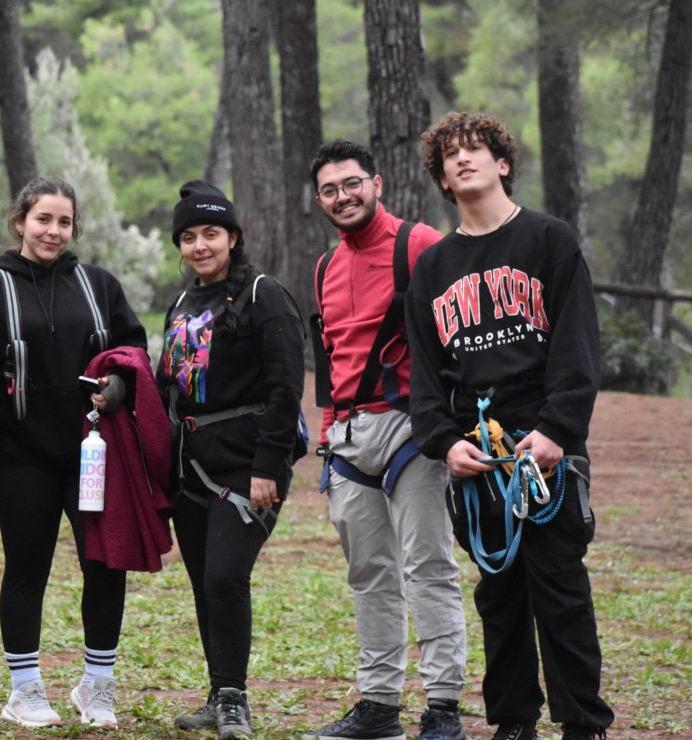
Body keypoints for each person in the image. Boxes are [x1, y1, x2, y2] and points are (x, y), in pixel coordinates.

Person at [407, 111, 614, 740]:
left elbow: (578, 347)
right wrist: (444, 443)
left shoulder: (550, 241)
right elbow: (425, 375)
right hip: (478, 441)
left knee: (560, 588)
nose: (463, 159)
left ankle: (582, 724)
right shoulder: (433, 269)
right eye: (450, 154)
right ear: (442, 179)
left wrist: (556, 431)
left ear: (502, 163)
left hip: (544, 438)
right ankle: (513, 722)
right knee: (498, 594)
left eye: (476, 149)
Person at [0, 175, 147, 729]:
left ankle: (98, 687)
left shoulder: (99, 285)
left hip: (92, 455)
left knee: (104, 567)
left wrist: (120, 389)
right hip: (19, 455)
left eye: (64, 222)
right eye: (43, 219)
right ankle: (25, 690)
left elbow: (133, 348)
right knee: (26, 569)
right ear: (20, 222)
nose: (53, 231)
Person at [304, 143, 468, 740]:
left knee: (428, 567)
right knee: (369, 574)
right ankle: (378, 705)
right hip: (348, 439)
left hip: (411, 430)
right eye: (329, 189)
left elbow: (462, 331)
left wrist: (452, 428)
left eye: (352, 184)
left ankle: (444, 708)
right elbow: (330, 361)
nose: (343, 197)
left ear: (376, 182)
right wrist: (327, 440)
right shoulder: (323, 267)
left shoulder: (420, 244)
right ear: (319, 199)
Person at [158, 181, 305, 740]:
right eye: (189, 236)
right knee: (203, 583)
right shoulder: (182, 302)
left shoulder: (265, 296)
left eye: (211, 234)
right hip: (190, 467)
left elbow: (285, 387)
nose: (199, 246)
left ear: (234, 237)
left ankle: (237, 701)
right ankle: (218, 693)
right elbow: (169, 383)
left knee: (225, 576)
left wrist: (270, 467)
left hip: (248, 466)